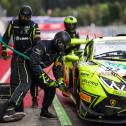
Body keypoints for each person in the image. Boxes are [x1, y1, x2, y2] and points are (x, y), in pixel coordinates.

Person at [0, 31, 71, 122]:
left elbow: (57, 68)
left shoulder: (59, 53)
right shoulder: (42, 46)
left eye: (65, 46)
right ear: (57, 41)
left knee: (51, 87)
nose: (63, 48)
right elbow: (33, 63)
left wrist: (60, 81)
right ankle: (9, 110)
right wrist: (46, 80)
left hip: (35, 67)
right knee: (25, 84)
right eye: (62, 45)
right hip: (25, 63)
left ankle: (44, 112)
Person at [1, 5, 40, 119]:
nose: (24, 19)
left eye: (26, 17)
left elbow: (37, 43)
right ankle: (18, 109)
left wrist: (34, 56)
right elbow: (5, 38)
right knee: (14, 81)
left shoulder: (34, 26)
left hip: (28, 57)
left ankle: (34, 100)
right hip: (16, 56)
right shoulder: (13, 24)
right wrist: (3, 50)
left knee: (29, 81)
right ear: (19, 15)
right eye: (22, 16)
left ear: (30, 17)